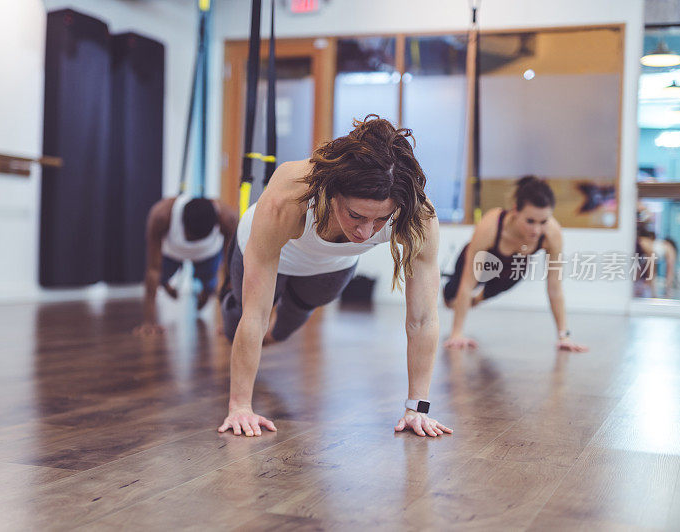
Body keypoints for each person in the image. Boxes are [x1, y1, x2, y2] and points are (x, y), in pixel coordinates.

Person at [217, 116, 452, 438]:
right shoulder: (289, 195)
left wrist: (417, 408)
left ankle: (269, 336)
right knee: (240, 321)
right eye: (355, 215)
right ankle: (228, 297)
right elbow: (255, 315)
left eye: (380, 219)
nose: (365, 231)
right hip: (265, 249)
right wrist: (240, 405)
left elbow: (423, 319)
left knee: (283, 331)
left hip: (329, 266)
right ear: (331, 193)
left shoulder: (417, 216)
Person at [442, 176, 588, 352]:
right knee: (452, 298)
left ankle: (476, 300)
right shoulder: (491, 226)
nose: (536, 230)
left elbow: (555, 288)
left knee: (516, 271)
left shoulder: (552, 234)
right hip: (482, 261)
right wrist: (457, 333)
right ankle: (453, 295)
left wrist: (564, 336)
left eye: (543, 222)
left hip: (510, 269)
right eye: (530, 221)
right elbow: (468, 283)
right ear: (515, 211)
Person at [133, 196, 238, 336]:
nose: (192, 244)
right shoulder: (161, 216)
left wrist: (230, 325)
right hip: (172, 253)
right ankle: (168, 286)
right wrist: (148, 322)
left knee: (210, 286)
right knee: (160, 278)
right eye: (190, 238)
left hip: (207, 254)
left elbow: (229, 271)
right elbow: (152, 269)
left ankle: (205, 293)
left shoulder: (228, 218)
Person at [635, 227, 678, 298]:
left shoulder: (657, 244)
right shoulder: (670, 249)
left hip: (642, 248)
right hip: (645, 249)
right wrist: (668, 290)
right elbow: (669, 271)